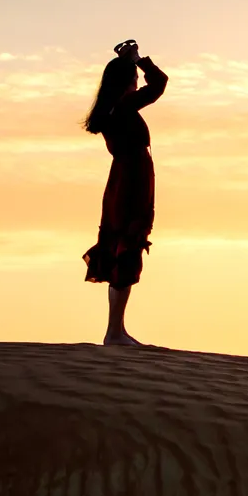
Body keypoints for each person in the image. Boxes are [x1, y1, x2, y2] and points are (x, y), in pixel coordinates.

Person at [81, 39, 168, 346]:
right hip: (132, 180)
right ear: (125, 82)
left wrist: (132, 62)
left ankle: (115, 330)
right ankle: (115, 332)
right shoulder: (124, 107)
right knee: (127, 247)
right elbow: (159, 84)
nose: (136, 83)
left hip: (123, 180)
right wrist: (140, 60)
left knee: (121, 246)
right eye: (133, 78)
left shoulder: (110, 111)